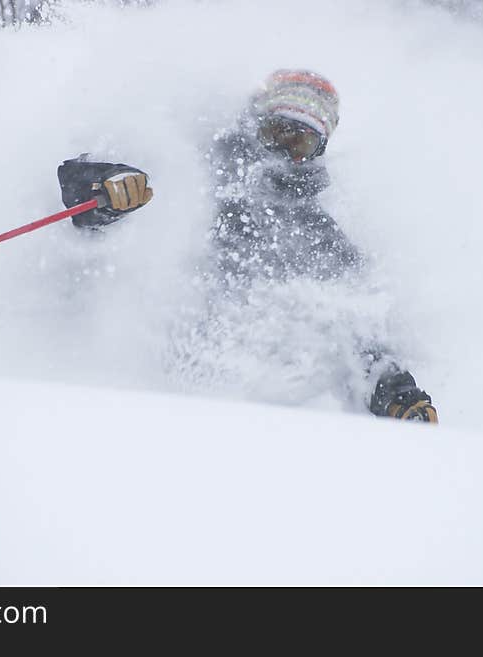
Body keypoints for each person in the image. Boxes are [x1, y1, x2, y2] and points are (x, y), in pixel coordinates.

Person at [56, 69, 437, 422]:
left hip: (241, 413)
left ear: (317, 153)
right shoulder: (191, 169)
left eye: (300, 141)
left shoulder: (320, 238)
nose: (285, 153)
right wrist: (104, 190)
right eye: (277, 133)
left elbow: (358, 325)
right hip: (126, 388)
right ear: (254, 127)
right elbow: (82, 201)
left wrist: (396, 394)